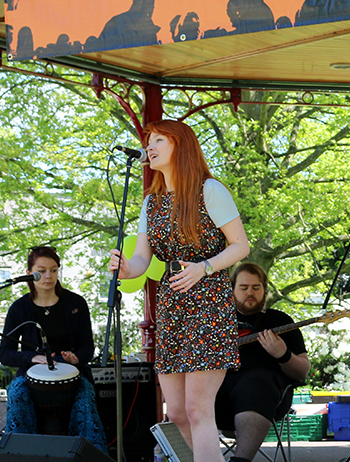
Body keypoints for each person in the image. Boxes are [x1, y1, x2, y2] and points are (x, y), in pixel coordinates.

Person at [109, 119, 251, 462]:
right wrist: (129, 268)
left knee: (198, 409)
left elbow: (241, 246)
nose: (150, 146)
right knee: (176, 414)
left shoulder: (209, 190)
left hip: (208, 301)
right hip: (172, 303)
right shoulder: (151, 203)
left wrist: (205, 267)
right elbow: (143, 257)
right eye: (149, 140)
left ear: (180, 146)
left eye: (159, 139)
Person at [0, 246, 107, 451]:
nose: (49, 276)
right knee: (16, 392)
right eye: (42, 270)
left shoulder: (76, 303)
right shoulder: (19, 308)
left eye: (54, 270)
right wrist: (32, 358)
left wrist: (76, 358)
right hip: (30, 375)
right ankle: (22, 453)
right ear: (29, 272)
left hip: (73, 374)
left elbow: (87, 346)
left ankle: (88, 454)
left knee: (85, 397)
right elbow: (5, 353)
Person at [214, 263, 310, 462]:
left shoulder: (281, 321)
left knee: (256, 381)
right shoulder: (216, 321)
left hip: (266, 397)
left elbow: (302, 372)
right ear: (231, 290)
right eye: (244, 288)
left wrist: (282, 354)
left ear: (264, 290)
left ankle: (240, 461)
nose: (250, 293)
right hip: (216, 398)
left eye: (256, 288)